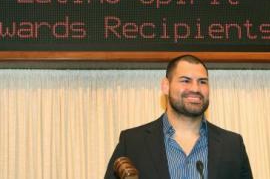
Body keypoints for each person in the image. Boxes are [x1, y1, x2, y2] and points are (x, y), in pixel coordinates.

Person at [104, 55, 253, 179]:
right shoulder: (132, 143)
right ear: (166, 86)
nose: (195, 88)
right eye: (185, 80)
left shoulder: (233, 145)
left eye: (202, 82)